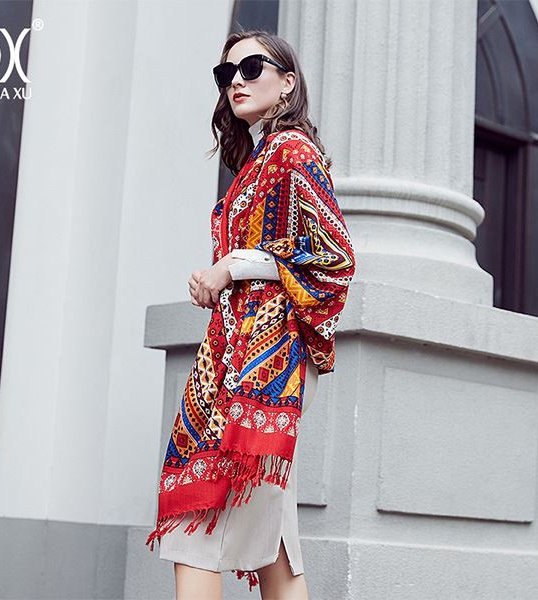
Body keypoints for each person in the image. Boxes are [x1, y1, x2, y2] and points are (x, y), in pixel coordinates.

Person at [146, 29, 356, 600]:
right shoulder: (259, 160)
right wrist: (220, 277)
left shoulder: (293, 152)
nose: (235, 81)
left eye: (251, 68)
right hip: (233, 354)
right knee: (273, 539)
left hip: (267, 361)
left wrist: (232, 266)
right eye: (226, 74)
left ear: (287, 82)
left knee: (194, 526)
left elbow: (334, 256)